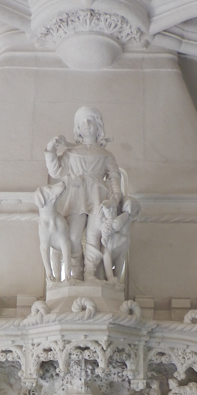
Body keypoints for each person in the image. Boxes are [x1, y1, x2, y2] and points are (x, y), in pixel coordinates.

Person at [44, 106, 123, 281]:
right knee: (72, 237)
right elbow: (56, 171)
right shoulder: (71, 152)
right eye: (82, 122)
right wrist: (51, 149)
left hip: (99, 198)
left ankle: (89, 273)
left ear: (98, 126)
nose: (87, 124)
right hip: (76, 196)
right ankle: (76, 272)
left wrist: (114, 199)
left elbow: (114, 179)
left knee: (94, 237)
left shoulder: (106, 154)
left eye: (91, 121)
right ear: (77, 129)